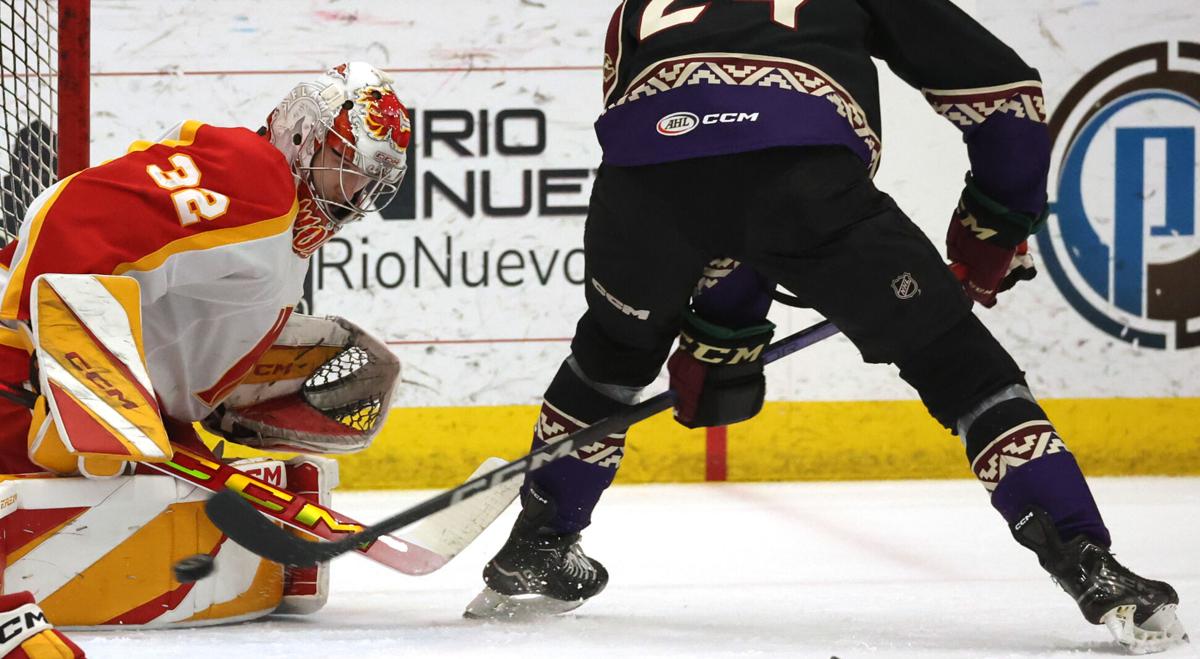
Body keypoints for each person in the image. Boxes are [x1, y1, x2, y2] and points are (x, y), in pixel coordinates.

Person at [464, 1, 1187, 653]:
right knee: (962, 368)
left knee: (610, 356)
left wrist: (720, 328)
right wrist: (990, 232)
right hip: (803, 179)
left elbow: (695, 160)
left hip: (643, 186)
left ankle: (540, 539)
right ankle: (1089, 561)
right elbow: (1006, 100)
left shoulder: (635, 7)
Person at [0, 62, 409, 628]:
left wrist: (211, 396)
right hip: (16, 377)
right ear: (300, 136)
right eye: (345, 164)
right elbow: (70, 214)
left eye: (370, 178)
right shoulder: (256, 176)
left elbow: (168, 316)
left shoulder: (284, 227)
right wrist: (65, 366)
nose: (356, 192)